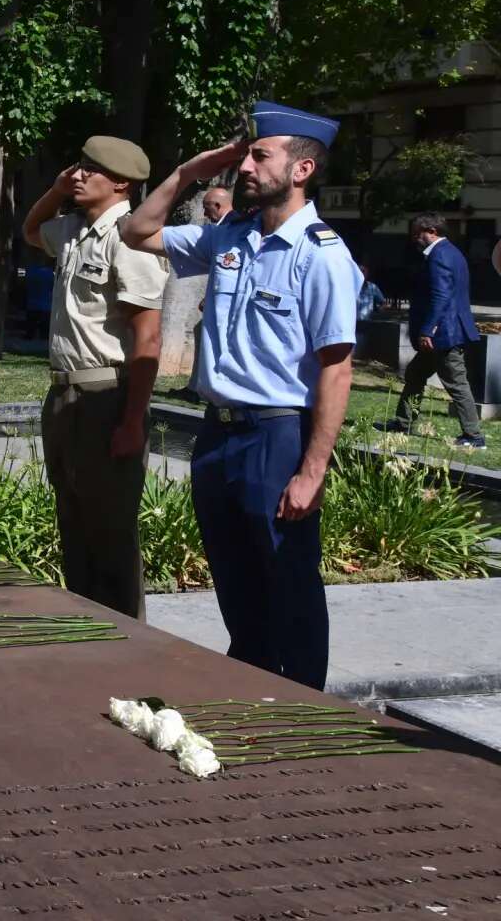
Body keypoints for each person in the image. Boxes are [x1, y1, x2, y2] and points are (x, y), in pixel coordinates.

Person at [121, 100, 360, 691]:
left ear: (301, 170)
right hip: (218, 434)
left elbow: (337, 368)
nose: (245, 166)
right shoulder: (232, 237)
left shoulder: (321, 254)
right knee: (235, 577)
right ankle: (252, 692)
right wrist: (190, 172)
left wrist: (312, 470)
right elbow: (136, 231)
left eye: (260, 155)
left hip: (277, 433)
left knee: (289, 581)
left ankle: (305, 708)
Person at [21, 137, 169, 620]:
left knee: (111, 531)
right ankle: (87, 626)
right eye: (78, 167)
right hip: (64, 393)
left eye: (89, 170)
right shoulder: (73, 229)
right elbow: (30, 230)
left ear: (121, 182)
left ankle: (128, 637)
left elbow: (147, 340)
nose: (77, 176)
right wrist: (55, 187)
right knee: (74, 520)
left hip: (107, 394)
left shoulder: (129, 239)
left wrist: (131, 421)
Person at [384, 212, 484, 448]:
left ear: (433, 232)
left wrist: (428, 330)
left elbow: (441, 296)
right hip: (444, 331)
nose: (415, 239)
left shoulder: (440, 256)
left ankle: (474, 436)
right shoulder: (452, 253)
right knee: (416, 374)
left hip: (444, 334)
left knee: (456, 383)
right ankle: (403, 422)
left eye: (418, 233)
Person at [23, 262, 55, 340]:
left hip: (33, 303)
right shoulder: (51, 273)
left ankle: (30, 336)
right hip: (46, 304)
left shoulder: (30, 271)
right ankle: (43, 337)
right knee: (44, 324)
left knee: (31, 323)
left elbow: (26, 284)